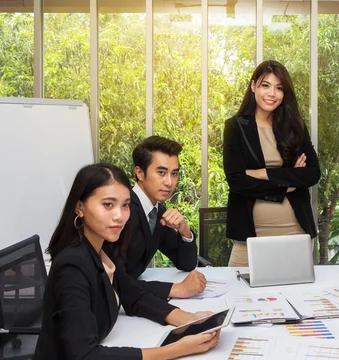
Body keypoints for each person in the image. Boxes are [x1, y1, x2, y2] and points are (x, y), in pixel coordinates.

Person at [34, 163, 220, 359]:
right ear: (80, 207)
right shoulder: (72, 265)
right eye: (108, 204)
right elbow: (85, 355)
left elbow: (134, 296)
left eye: (125, 205)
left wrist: (188, 320)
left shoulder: (99, 251)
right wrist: (178, 349)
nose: (119, 216)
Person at [223, 60, 320, 267]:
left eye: (279, 88)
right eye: (265, 85)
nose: (272, 94)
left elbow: (312, 174)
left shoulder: (295, 127)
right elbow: (237, 181)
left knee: (296, 295)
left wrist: (263, 173)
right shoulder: (235, 127)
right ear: (253, 87)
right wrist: (289, 179)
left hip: (296, 232)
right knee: (238, 295)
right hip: (249, 238)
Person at [119, 135, 206, 299]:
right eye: (161, 172)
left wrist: (184, 230)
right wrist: (175, 289)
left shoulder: (158, 211)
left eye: (174, 174)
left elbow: (185, 264)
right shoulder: (123, 209)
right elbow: (113, 281)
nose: (169, 182)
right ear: (139, 173)